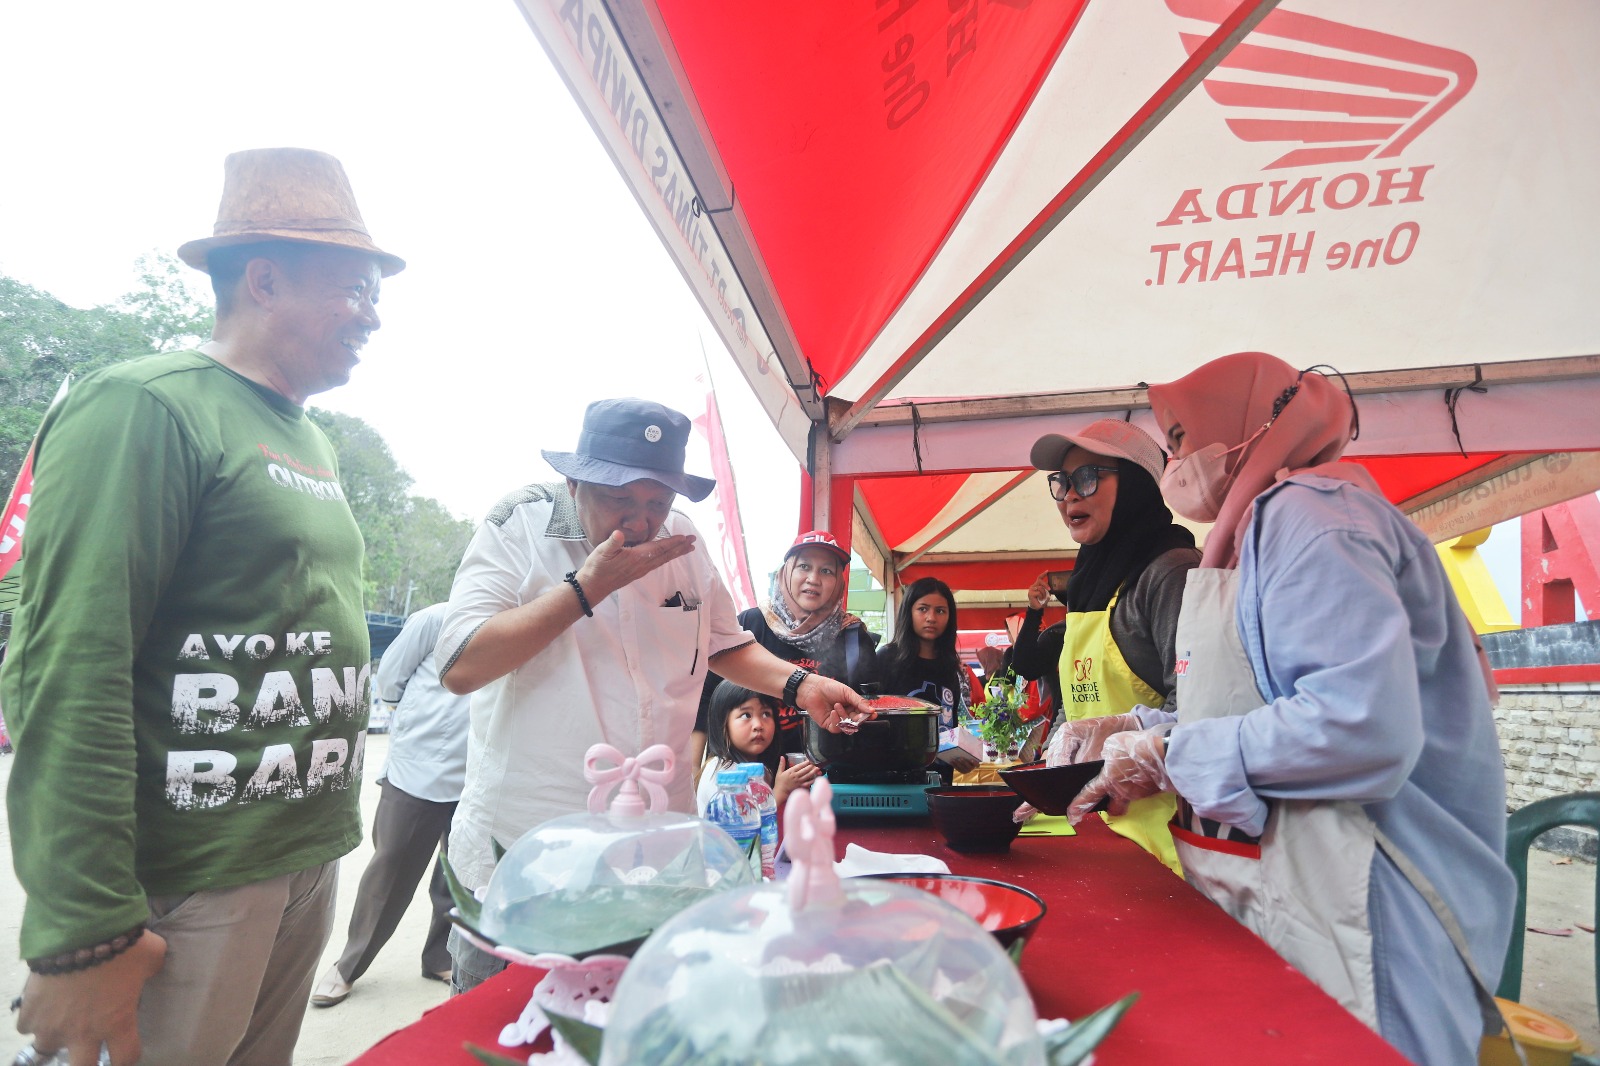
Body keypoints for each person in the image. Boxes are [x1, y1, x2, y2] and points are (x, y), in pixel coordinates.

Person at [3, 148, 399, 1065]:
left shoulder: (310, 437)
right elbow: (68, 665)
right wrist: (86, 930)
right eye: (356, 289)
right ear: (263, 278)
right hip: (190, 881)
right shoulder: (146, 407)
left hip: (300, 854)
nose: (373, 318)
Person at [1069, 352, 1515, 1066]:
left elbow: (1359, 725)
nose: (1174, 460)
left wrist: (1172, 755)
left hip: (1380, 901)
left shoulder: (1308, 516)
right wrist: (1142, 729)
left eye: (1181, 436)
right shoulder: (1259, 527)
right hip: (1308, 886)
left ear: (1237, 426)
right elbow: (1269, 701)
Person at [435, 397, 872, 993]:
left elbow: (724, 642)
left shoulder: (683, 539)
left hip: (654, 842)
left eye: (657, 503)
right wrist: (585, 591)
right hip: (529, 843)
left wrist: (801, 684)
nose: (640, 523)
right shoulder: (520, 524)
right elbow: (461, 664)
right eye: (620, 499)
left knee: (638, 1016)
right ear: (575, 481)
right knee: (502, 1025)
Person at [1018, 419, 1199, 875]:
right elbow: (1078, 708)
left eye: (1088, 477)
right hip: (1096, 837)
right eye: (1062, 482)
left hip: (1164, 846)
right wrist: (1051, 773)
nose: (1071, 496)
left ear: (1136, 484)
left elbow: (1203, 714)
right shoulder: (1087, 582)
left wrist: (1140, 750)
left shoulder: (1171, 573)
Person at [312, 602, 468, 1008]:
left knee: (461, 872)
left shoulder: (520, 616)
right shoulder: (435, 619)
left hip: (481, 769)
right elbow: (390, 682)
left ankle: (440, 957)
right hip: (421, 764)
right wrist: (424, 721)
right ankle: (348, 966)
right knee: (392, 865)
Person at [692, 530, 881, 770]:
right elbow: (704, 699)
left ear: (838, 583)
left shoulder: (852, 636)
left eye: (826, 571)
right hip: (746, 780)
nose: (813, 578)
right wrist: (694, 774)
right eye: (804, 566)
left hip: (830, 778)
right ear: (786, 572)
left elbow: (868, 707)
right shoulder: (749, 625)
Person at [875, 576, 981, 776]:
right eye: (923, 609)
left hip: (939, 783)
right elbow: (874, 726)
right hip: (895, 782)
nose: (931, 617)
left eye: (940, 611)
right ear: (909, 612)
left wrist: (959, 756)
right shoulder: (887, 659)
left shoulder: (950, 667)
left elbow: (950, 727)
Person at [695, 682, 815, 813]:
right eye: (746, 715)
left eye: (766, 714)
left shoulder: (763, 771)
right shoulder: (722, 772)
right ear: (723, 725)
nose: (758, 725)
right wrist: (781, 791)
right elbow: (743, 824)